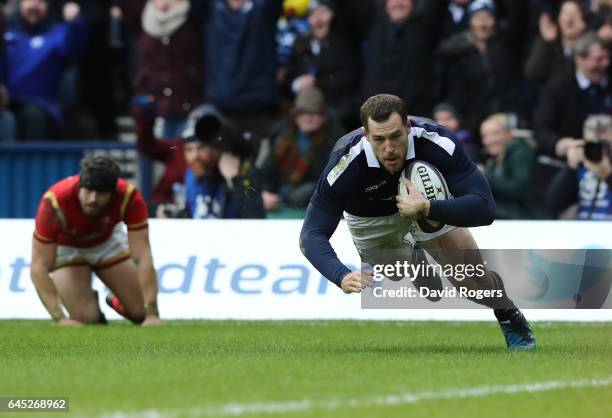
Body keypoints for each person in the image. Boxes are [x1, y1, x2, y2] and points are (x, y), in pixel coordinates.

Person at [299, 94, 536, 349]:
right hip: (370, 217)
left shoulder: (436, 141)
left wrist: (428, 208)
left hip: (426, 203)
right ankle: (414, 255)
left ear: (408, 127)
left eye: (396, 136)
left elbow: (485, 208)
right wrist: (340, 275)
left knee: (471, 280)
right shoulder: (345, 162)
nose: (388, 148)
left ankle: (508, 315)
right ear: (366, 136)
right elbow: (311, 235)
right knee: (418, 284)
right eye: (379, 139)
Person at [30, 156, 162, 326]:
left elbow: (142, 256)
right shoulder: (54, 202)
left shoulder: (129, 197)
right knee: (87, 319)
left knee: (140, 313)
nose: (93, 199)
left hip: (106, 242)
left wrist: (151, 313)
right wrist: (60, 318)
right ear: (79, 186)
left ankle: (116, 300)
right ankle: (88, 303)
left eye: (101, 193)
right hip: (67, 247)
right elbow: (38, 267)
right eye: (88, 191)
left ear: (113, 192)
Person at [4, 0, 87, 140]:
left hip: (40, 104)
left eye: (41, 1)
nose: (34, 6)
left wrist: (75, 23)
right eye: (30, 0)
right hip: (6, 102)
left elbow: (75, 48)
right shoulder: (6, 33)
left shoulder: (58, 33)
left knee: (33, 117)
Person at [262, 87, 346, 212]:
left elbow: (336, 180)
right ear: (295, 116)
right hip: (278, 205)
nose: (307, 117)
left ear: (324, 116)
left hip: (319, 207)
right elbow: (265, 172)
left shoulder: (338, 140)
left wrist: (312, 190)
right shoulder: (281, 135)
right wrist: (264, 193)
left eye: (314, 112)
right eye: (302, 112)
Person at [534, 32, 611, 159]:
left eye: (607, 58)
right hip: (571, 160)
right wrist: (561, 145)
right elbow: (541, 127)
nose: (605, 64)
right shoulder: (557, 89)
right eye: (599, 59)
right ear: (579, 60)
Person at [547, 114, 612, 220]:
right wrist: (571, 168)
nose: (599, 150)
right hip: (582, 231)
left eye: (604, 145)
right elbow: (553, 204)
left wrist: (608, 176)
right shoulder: (581, 167)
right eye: (592, 145)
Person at [479, 113, 535, 219]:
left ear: (509, 133)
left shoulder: (522, 152)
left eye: (495, 134)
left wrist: (484, 175)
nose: (491, 140)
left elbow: (519, 188)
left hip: (528, 220)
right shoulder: (493, 160)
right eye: (485, 136)